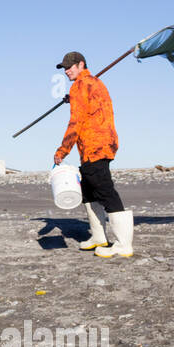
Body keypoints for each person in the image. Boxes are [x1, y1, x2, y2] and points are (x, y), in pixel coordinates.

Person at [52, 52, 133, 258]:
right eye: (65, 68)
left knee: (106, 192)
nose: (67, 71)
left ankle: (124, 244)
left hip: (94, 146)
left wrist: (62, 150)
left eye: (70, 66)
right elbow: (91, 108)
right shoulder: (94, 83)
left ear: (81, 64)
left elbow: (76, 122)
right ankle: (99, 237)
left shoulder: (80, 86)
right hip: (102, 144)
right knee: (88, 192)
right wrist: (73, 100)